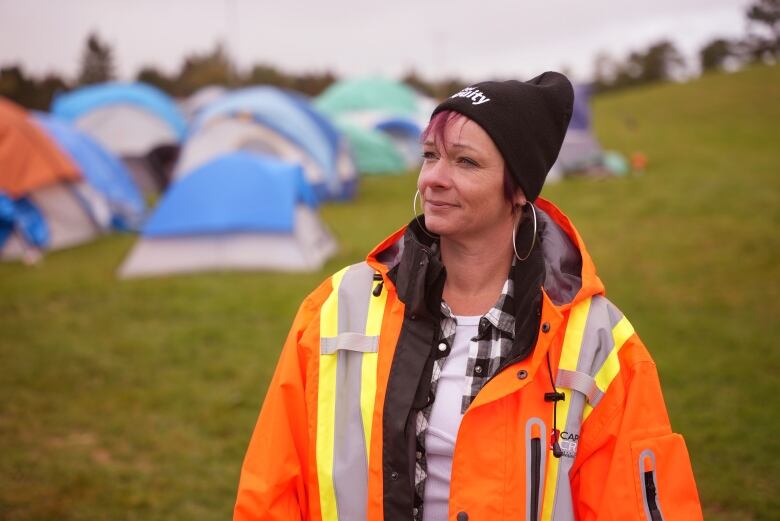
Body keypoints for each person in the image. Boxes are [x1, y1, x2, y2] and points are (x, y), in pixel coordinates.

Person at [234, 72, 703, 521]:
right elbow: (272, 488)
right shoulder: (339, 307)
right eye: (429, 155)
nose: (433, 178)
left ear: (519, 189)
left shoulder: (597, 342)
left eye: (465, 161)